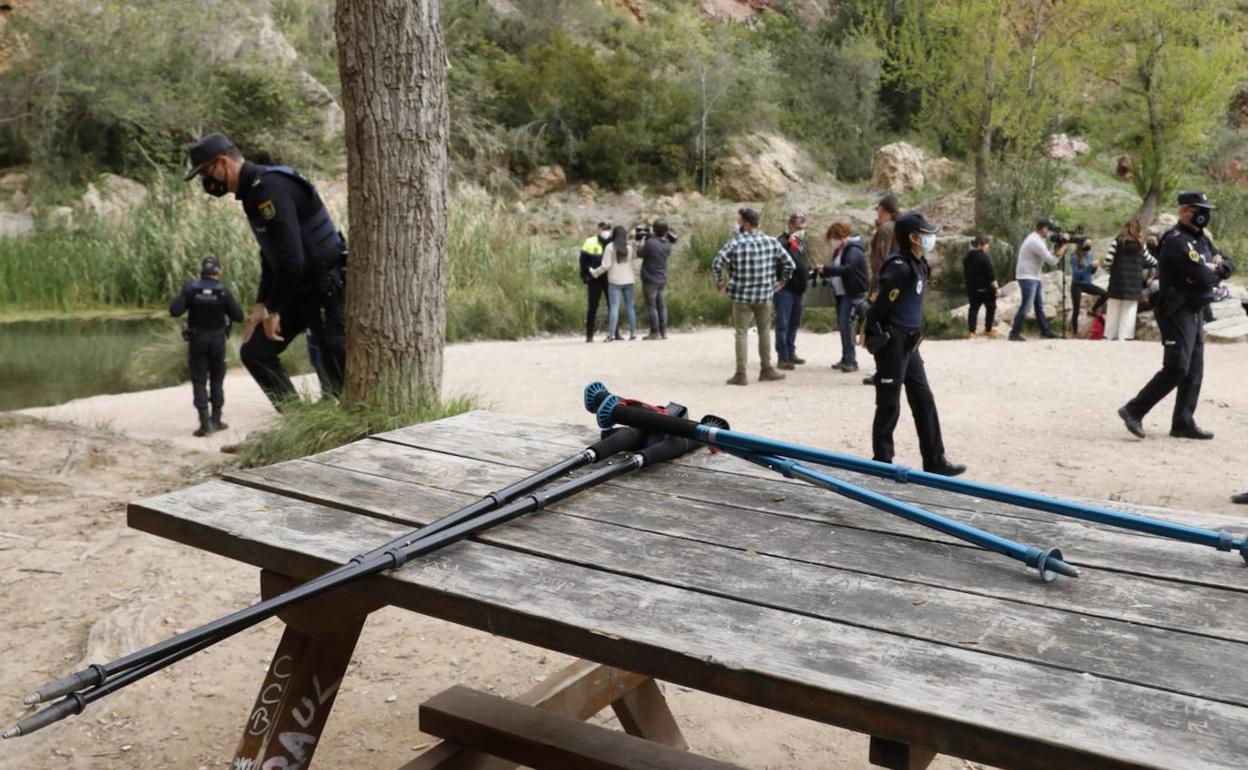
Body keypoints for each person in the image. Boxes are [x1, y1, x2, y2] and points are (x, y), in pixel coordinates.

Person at [185, 133, 347, 409]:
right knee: (255, 352)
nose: (206, 182)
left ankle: (349, 432)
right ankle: (300, 421)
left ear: (223, 162)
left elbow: (292, 260)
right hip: (297, 288)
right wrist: (261, 305)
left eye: (206, 172)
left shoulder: (270, 187)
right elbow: (271, 255)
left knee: (337, 369)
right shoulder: (252, 192)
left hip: (325, 288)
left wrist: (274, 310)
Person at [1118, 192, 1234, 440]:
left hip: (1195, 309)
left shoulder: (1201, 240)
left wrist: (1217, 267)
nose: (1205, 214)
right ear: (1184, 210)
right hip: (1176, 309)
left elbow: (1228, 263)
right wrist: (1212, 270)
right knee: (1177, 367)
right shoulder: (1176, 241)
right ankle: (1133, 410)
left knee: (1194, 370)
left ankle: (1183, 421)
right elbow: (1204, 277)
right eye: (1198, 209)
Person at [863, 212, 965, 477]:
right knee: (889, 404)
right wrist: (868, 332)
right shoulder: (899, 266)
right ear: (913, 237)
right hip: (893, 342)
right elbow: (880, 305)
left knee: (923, 400)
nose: (931, 238)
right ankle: (882, 462)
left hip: (910, 343)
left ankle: (935, 460)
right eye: (926, 234)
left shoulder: (920, 264)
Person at [711, 208, 795, 385]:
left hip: (741, 295)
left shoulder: (736, 243)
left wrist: (721, 281)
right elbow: (790, 264)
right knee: (764, 331)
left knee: (741, 333)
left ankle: (741, 373)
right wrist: (782, 282)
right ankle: (766, 369)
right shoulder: (770, 242)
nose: (738, 223)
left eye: (739, 221)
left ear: (746, 224)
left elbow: (717, 262)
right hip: (764, 294)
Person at [169, 256, 244, 436]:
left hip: (197, 341)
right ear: (218, 272)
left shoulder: (191, 289)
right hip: (217, 341)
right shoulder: (223, 291)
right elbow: (238, 316)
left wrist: (186, 295)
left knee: (199, 380)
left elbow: (174, 311)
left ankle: (204, 424)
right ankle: (216, 420)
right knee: (217, 380)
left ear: (201, 272)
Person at [815, 221, 868, 372]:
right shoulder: (842, 249)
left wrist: (826, 269)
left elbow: (848, 268)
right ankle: (846, 357)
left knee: (846, 326)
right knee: (843, 326)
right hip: (842, 292)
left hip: (850, 293)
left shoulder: (852, 249)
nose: (831, 242)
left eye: (832, 237)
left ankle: (850, 360)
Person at [1009, 218, 1069, 341]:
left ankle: (1045, 331)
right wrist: (1064, 246)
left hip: (1033, 276)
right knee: (1026, 306)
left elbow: (1048, 254)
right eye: (1049, 230)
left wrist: (1056, 246)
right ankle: (1014, 333)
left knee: (1039, 306)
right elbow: (1052, 261)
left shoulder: (1036, 239)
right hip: (1028, 277)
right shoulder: (1034, 241)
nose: (1050, 233)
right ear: (1044, 229)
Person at [863, 195, 900, 385]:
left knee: (878, 327)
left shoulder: (885, 229)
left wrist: (877, 288)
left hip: (883, 283)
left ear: (882, 209)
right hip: (895, 283)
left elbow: (882, 262)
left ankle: (882, 369)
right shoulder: (896, 227)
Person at [1103, 219, 1157, 340]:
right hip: (1133, 281)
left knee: (1113, 307)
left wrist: (1111, 269)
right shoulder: (1140, 244)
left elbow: (1107, 260)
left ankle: (1110, 335)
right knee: (1129, 309)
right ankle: (1124, 336)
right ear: (1138, 230)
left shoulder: (1118, 241)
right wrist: (1158, 262)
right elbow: (1150, 259)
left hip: (1117, 280)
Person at [773, 213, 811, 369]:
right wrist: (790, 245)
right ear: (790, 226)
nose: (801, 230)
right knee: (782, 323)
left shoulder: (802, 242)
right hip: (785, 289)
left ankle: (790, 351)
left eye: (803, 227)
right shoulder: (781, 242)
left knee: (794, 323)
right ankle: (782, 356)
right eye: (798, 227)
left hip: (799, 289)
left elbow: (804, 260)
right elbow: (781, 264)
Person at [590, 224, 638, 342]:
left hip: (615, 281)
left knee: (614, 308)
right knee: (630, 307)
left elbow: (606, 266)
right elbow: (634, 263)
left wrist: (594, 272)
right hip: (629, 281)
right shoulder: (630, 248)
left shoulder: (610, 247)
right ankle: (633, 333)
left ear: (613, 235)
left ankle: (611, 335)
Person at [638, 219, 675, 340]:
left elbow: (640, 253)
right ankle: (663, 332)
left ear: (654, 230)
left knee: (652, 306)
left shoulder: (650, 243)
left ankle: (655, 332)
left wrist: (642, 241)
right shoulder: (668, 244)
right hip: (662, 278)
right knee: (662, 305)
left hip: (650, 278)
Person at [579, 220, 613, 343]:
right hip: (594, 279)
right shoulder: (590, 242)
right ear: (598, 229)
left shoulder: (613, 242)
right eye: (603, 228)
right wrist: (585, 276)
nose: (605, 231)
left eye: (608, 228)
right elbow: (583, 261)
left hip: (610, 278)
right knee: (593, 307)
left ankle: (615, 333)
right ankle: (589, 335)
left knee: (612, 306)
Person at [1069, 237, 1108, 336]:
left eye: (1090, 244)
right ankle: (1074, 332)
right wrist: (1090, 266)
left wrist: (1095, 267)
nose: (1089, 246)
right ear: (1081, 244)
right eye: (1087, 244)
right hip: (1077, 284)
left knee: (1105, 294)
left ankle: (1093, 309)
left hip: (1087, 284)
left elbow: (1090, 273)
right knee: (1076, 309)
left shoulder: (1089, 255)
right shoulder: (1074, 257)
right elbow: (1077, 274)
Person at [962, 235, 998, 337]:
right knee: (991, 308)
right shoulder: (984, 257)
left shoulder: (967, 257)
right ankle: (988, 330)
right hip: (986, 289)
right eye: (987, 245)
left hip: (972, 288)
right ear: (981, 245)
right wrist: (996, 288)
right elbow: (991, 275)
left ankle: (972, 332)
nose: (988, 247)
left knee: (973, 309)